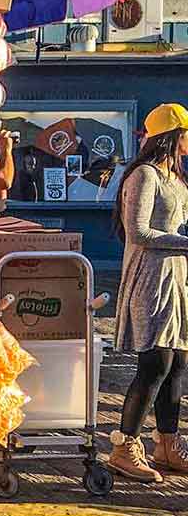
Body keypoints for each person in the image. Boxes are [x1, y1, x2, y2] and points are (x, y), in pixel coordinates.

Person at [108, 103, 188, 483]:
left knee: (177, 365)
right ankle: (124, 447)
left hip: (176, 279)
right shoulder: (144, 175)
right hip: (150, 279)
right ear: (172, 135)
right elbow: (138, 232)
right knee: (154, 364)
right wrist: (183, 243)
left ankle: (167, 445)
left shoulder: (176, 177)